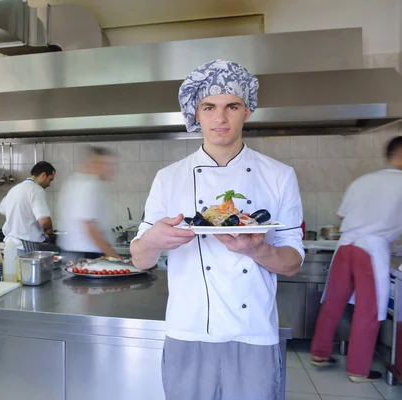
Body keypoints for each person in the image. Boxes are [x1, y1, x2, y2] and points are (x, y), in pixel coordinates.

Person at [130, 59, 304, 400]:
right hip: (188, 330)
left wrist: (256, 249)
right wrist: (153, 239)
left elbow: (293, 262)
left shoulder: (280, 176)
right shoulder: (169, 178)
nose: (220, 118)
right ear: (196, 113)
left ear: (248, 111)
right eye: (209, 107)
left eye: (232, 106)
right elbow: (140, 260)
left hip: (253, 332)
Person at [310, 136, 402, 383]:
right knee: (368, 311)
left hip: (345, 246)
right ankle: (358, 370)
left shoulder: (364, 181)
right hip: (370, 251)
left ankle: (319, 354)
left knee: (333, 302)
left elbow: (342, 216)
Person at [57, 146, 122, 261]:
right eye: (108, 165)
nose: (113, 169)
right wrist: (115, 257)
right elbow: (89, 227)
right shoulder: (88, 185)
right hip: (86, 255)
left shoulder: (74, 181)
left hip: (76, 253)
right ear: (96, 163)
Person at [0, 161, 56, 254]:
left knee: (12, 269)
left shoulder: (15, 189)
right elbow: (44, 222)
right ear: (43, 175)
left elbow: (1, 210)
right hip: (25, 246)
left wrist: (20, 214)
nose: (49, 184)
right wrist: (49, 231)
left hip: (10, 245)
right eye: (50, 179)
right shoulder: (37, 190)